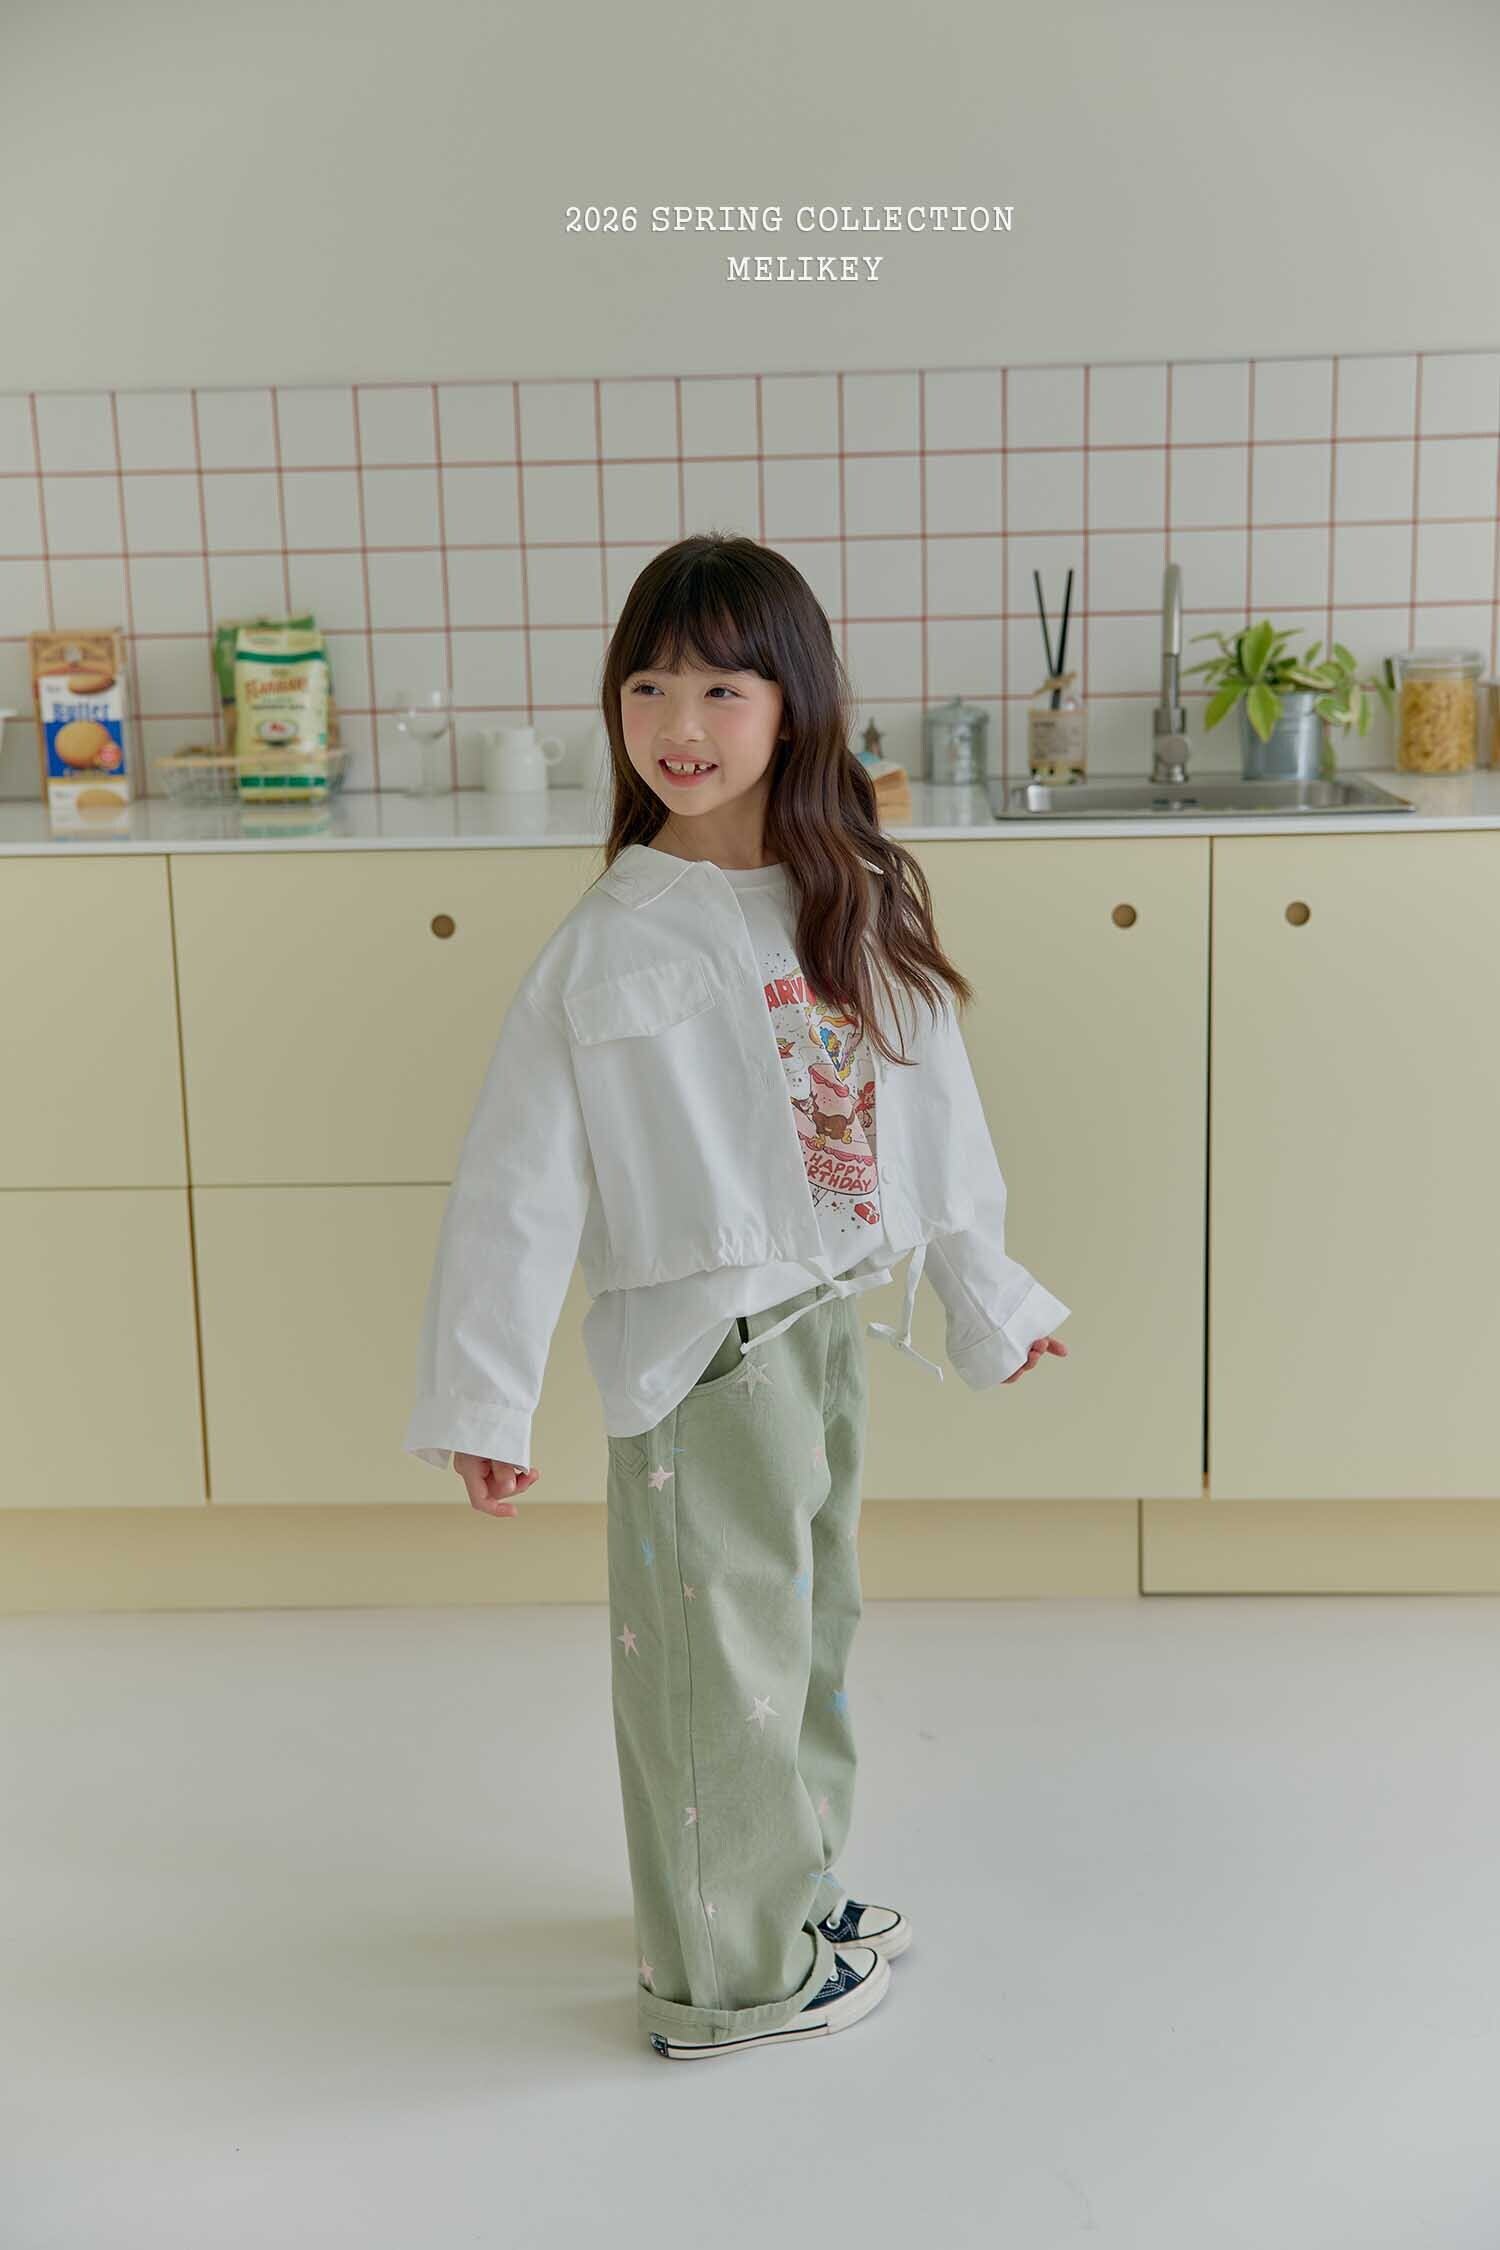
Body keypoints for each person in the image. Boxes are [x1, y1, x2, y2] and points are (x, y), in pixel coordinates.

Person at [404, 531, 1071, 2061]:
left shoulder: (846, 895)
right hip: (698, 1359)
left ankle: (786, 1888)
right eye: (647, 685)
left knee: (807, 1632)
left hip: (820, 1326)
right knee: (715, 1668)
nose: (677, 722)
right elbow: (516, 1183)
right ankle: (729, 1976)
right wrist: (486, 1396)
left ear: (793, 702)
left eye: (719, 686)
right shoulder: (605, 941)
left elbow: (933, 1112)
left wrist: (986, 1290)